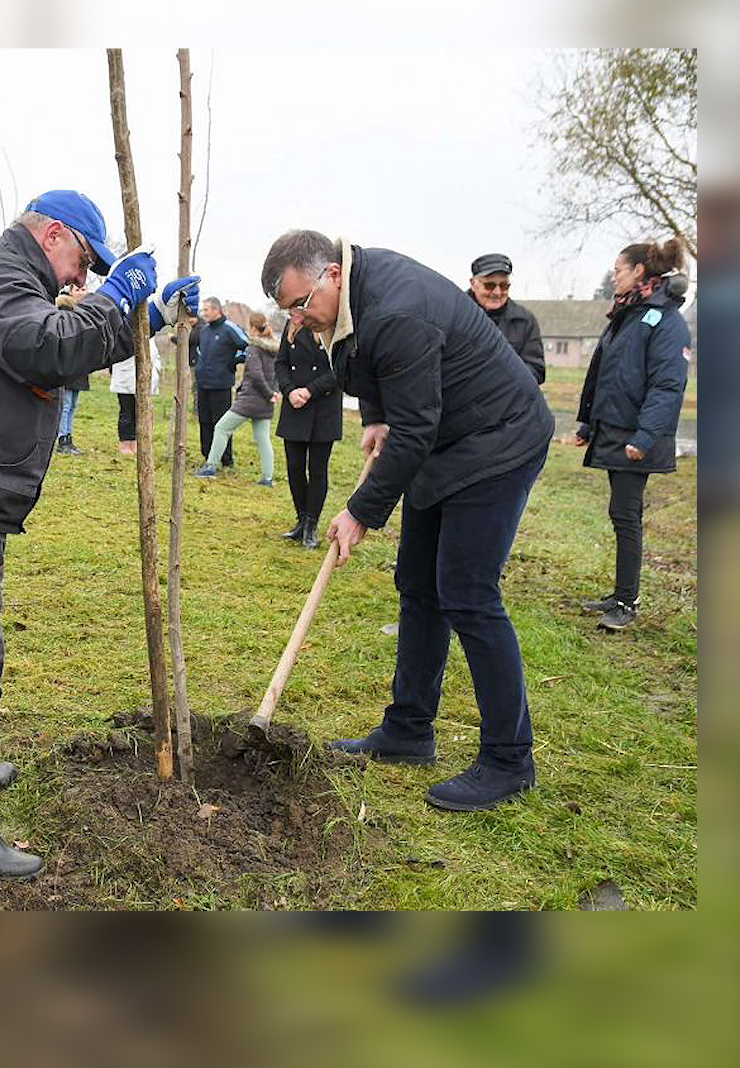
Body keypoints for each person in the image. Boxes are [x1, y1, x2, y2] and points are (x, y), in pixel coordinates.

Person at [0, 188, 197, 877]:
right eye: (82, 262)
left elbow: (68, 350)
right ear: (52, 234)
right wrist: (117, 296)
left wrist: (154, 313)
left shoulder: (11, 280)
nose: (80, 280)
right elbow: (45, 347)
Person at [262, 228, 550, 812]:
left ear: (331, 275)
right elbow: (364, 363)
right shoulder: (349, 300)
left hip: (497, 440)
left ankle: (509, 758)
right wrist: (374, 414)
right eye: (285, 308)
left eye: (299, 303)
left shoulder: (396, 310)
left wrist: (360, 512)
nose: (296, 318)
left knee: (467, 593)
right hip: (445, 441)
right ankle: (409, 730)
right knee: (418, 586)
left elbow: (415, 425)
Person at [564, 237, 691, 632]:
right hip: (615, 431)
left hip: (637, 438)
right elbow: (606, 376)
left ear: (639, 272)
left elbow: (667, 386)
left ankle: (627, 601)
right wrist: (589, 423)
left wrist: (645, 437)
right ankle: (620, 594)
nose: (614, 276)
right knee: (622, 514)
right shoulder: (628, 315)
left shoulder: (666, 321)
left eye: (619, 269)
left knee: (626, 515)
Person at [273, 317, 342, 548]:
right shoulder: (290, 326)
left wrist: (310, 391)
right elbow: (281, 363)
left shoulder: (332, 325)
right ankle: (301, 520)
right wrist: (290, 390)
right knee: (294, 466)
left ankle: (312, 525)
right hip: (295, 405)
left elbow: (339, 368)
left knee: (317, 469)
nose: (293, 313)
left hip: (323, 407)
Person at [192, 312, 279, 486]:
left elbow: (255, 374)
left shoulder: (254, 347)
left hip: (250, 400)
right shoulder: (274, 349)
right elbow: (277, 374)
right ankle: (267, 478)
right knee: (263, 439)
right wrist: (273, 393)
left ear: (253, 328)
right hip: (267, 401)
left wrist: (268, 393)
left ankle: (211, 467)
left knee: (222, 428)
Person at [467, 253, 546, 383]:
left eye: (504, 286)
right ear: (473, 283)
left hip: (507, 399)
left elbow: (536, 369)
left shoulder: (525, 321)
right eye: (490, 285)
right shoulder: (455, 316)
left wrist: (500, 382)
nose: (497, 292)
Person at [191, 296, 250, 469]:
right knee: (205, 421)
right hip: (203, 383)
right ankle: (208, 457)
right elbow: (200, 350)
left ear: (217, 310)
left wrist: (233, 362)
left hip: (221, 385)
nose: (204, 313)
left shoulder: (230, 329)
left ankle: (226, 459)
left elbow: (248, 347)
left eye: (206, 309)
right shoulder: (204, 330)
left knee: (221, 423)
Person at [109, 320, 167, 456]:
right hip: (125, 380)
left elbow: (154, 357)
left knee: (141, 413)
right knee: (126, 412)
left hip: (144, 381)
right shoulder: (123, 333)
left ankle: (136, 442)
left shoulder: (149, 337)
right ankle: (125, 442)